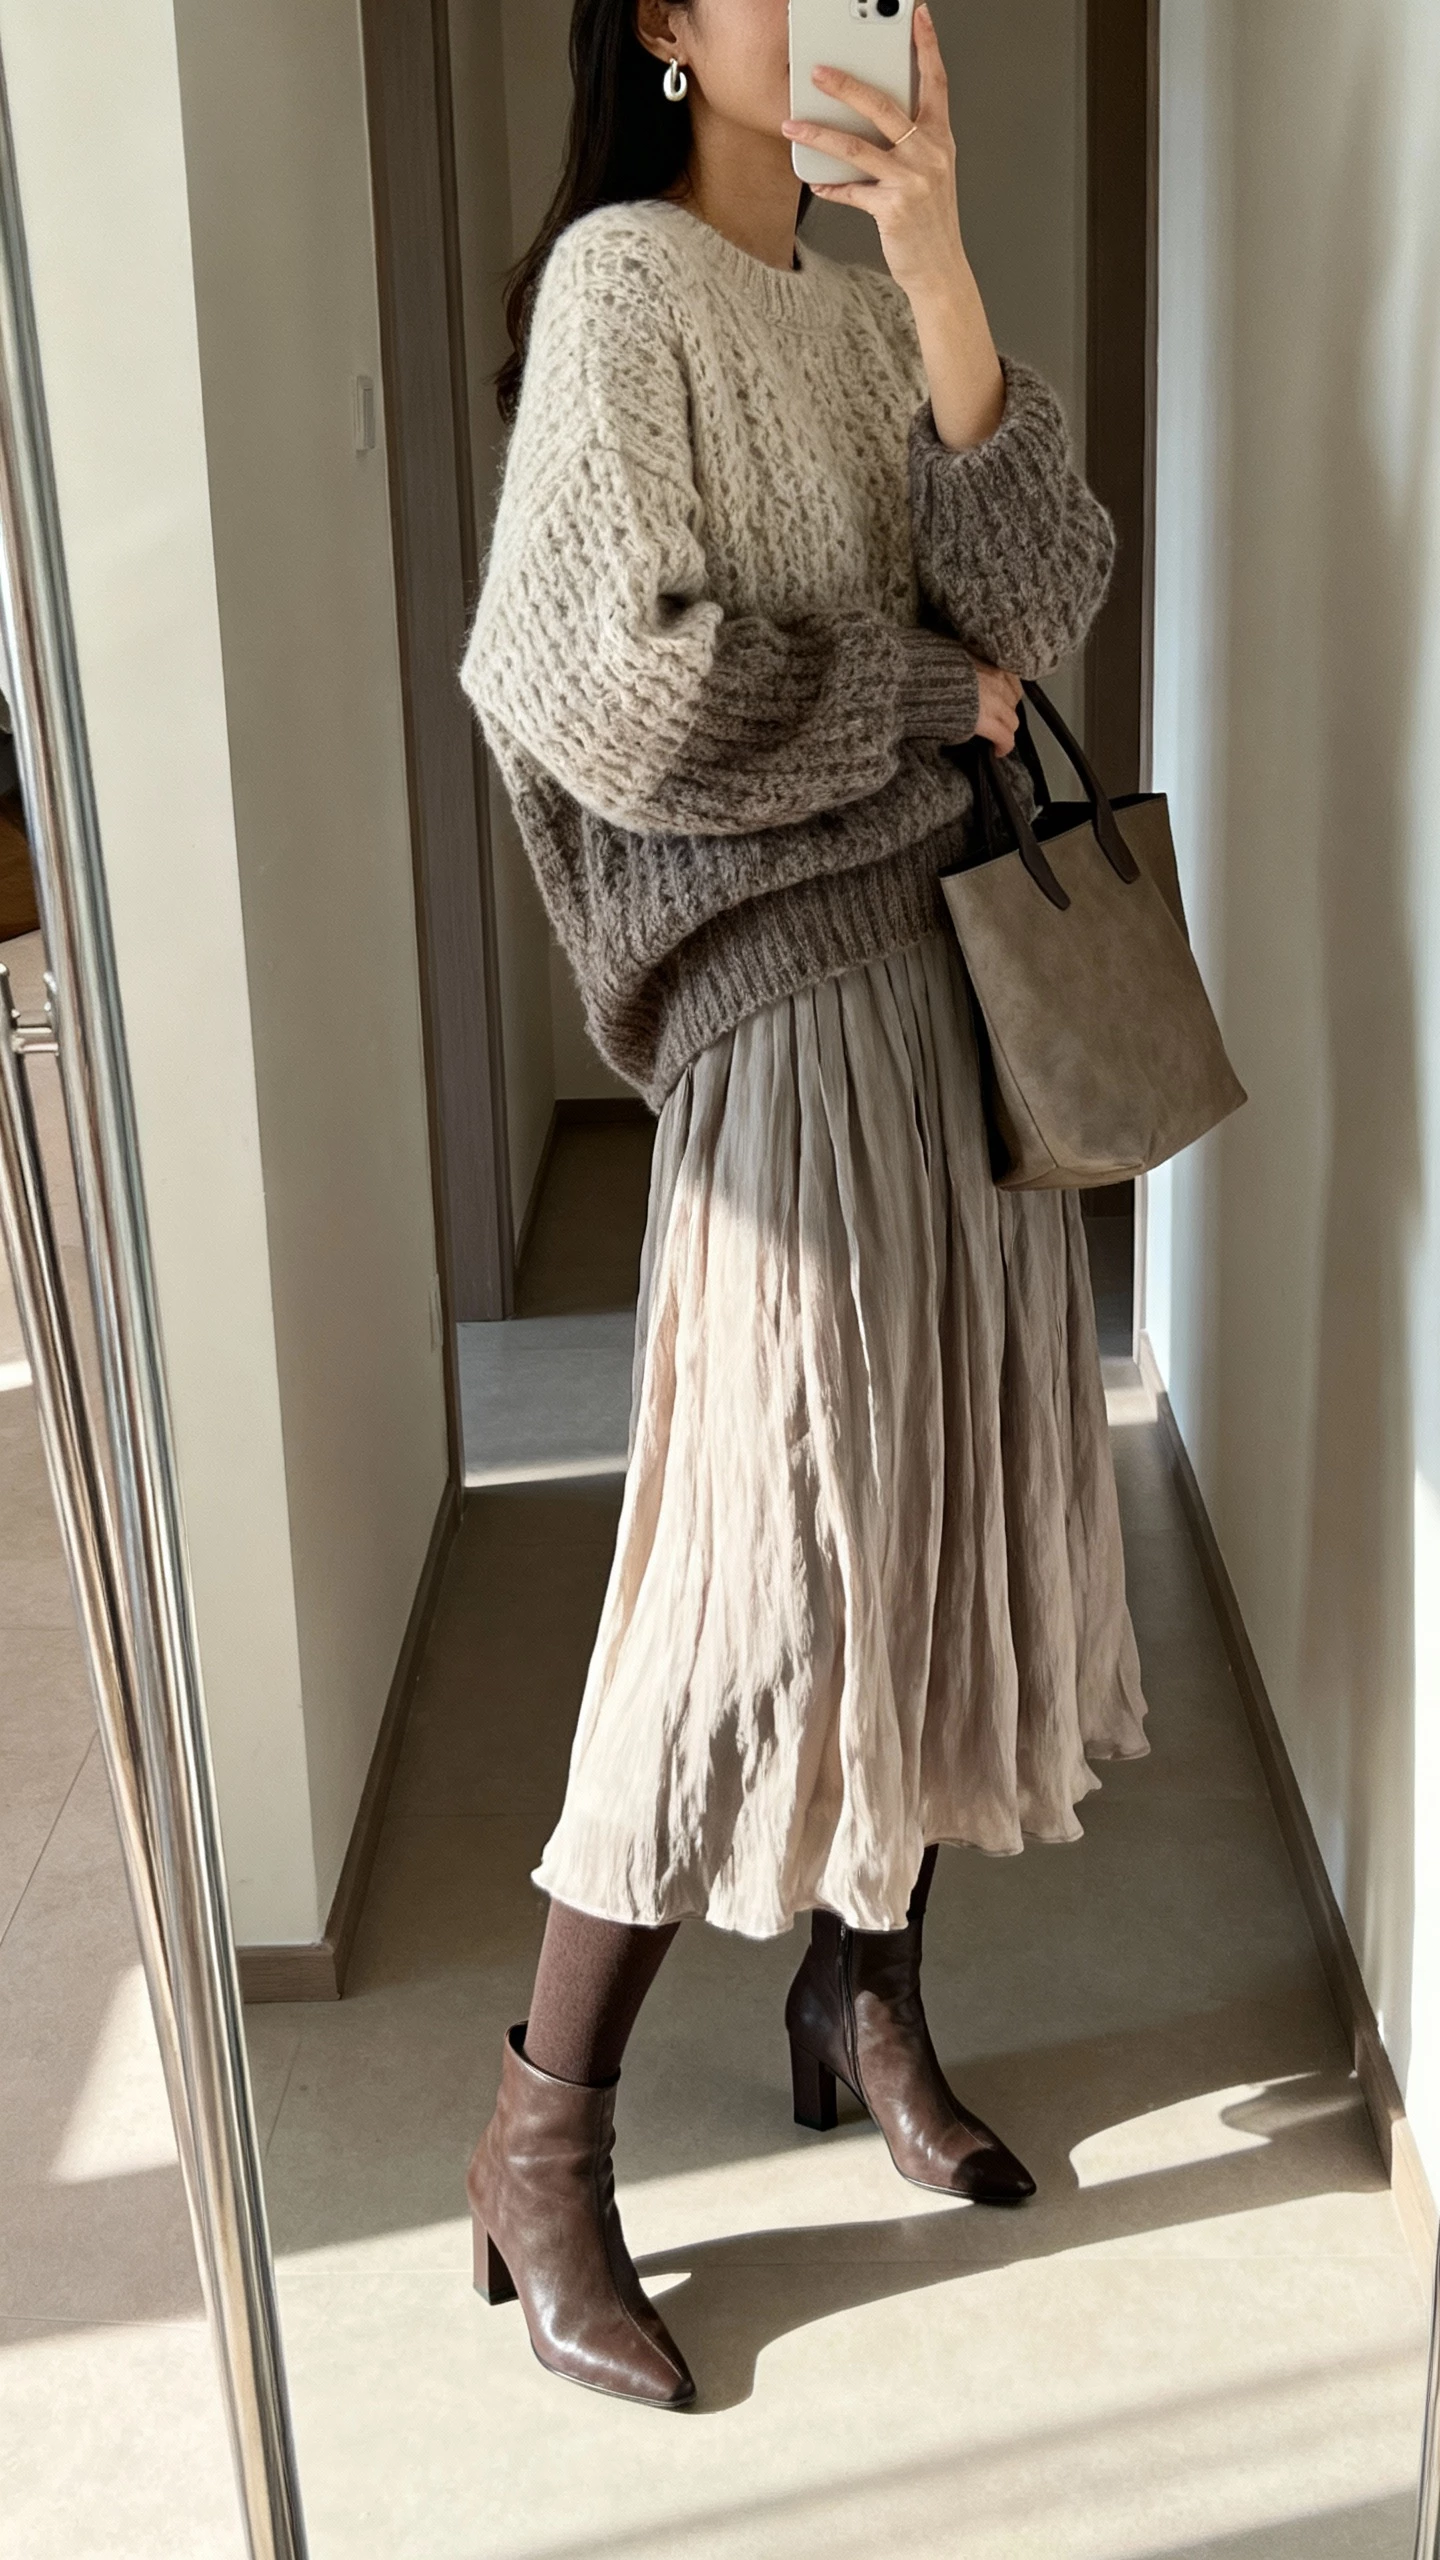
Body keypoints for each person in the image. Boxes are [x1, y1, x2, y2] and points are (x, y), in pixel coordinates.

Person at [459, 0, 1149, 2410]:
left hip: (959, 996)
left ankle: (865, 1991)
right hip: (787, 1018)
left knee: (934, 1522)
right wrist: (901, 705)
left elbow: (1039, 594)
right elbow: (584, 681)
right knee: (748, 1577)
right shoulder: (620, 290)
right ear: (661, 24)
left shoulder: (861, 304)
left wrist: (944, 259)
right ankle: (538, 2137)